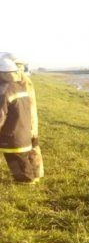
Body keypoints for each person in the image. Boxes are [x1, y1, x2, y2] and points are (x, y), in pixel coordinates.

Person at [0, 53, 40, 183]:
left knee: (18, 165)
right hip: (24, 133)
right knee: (24, 161)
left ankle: (27, 184)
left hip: (12, 137)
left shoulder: (4, 90)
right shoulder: (19, 86)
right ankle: (33, 178)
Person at [14, 57, 44, 179]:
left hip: (27, 122)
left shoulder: (23, 82)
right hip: (26, 121)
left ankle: (34, 175)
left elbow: (26, 105)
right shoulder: (22, 81)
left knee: (31, 148)